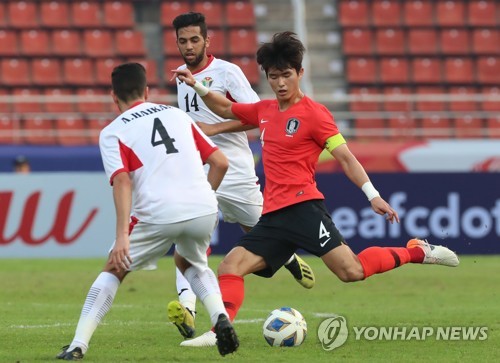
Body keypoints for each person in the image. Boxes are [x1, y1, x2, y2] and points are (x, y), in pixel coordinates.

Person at [172, 31, 459, 338]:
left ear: (300, 74)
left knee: (352, 271)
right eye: (273, 77)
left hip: (304, 209)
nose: (280, 83)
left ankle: (417, 251)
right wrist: (198, 85)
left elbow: (346, 158)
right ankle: (220, 332)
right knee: (231, 266)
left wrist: (372, 195)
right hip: (273, 215)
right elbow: (227, 108)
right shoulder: (265, 110)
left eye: (286, 75)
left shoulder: (315, 115)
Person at [55, 63, 239, 360]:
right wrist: (206, 197)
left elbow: (123, 181)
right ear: (147, 91)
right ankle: (220, 317)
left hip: (158, 211)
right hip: (204, 205)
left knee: (115, 268)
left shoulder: (113, 132)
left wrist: (121, 237)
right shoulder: (177, 115)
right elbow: (220, 162)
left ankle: (77, 345)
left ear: (114, 97)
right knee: (190, 262)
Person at [167, 12, 315, 347]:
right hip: (198, 169)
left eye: (194, 39)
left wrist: (213, 129)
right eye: (182, 41)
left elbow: (259, 116)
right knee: (188, 228)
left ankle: (288, 257)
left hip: (234, 169)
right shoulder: (182, 77)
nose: (188, 47)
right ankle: (187, 307)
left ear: (208, 40)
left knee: (260, 230)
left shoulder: (227, 73)